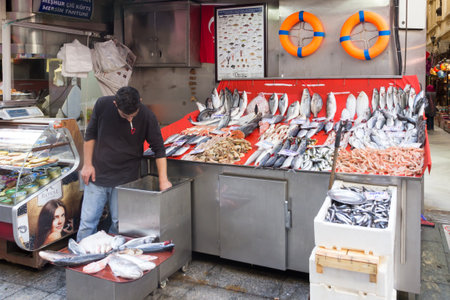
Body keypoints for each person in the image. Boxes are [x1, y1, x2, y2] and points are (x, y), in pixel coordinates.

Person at [77, 86, 171, 242]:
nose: (130, 119)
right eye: (125, 115)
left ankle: (113, 257)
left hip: (127, 178)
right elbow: (90, 134)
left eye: (133, 115)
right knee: (87, 223)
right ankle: (80, 259)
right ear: (115, 104)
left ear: (140, 102)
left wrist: (163, 179)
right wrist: (87, 164)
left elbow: (159, 149)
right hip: (98, 174)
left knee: (120, 224)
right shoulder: (102, 104)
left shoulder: (147, 116)